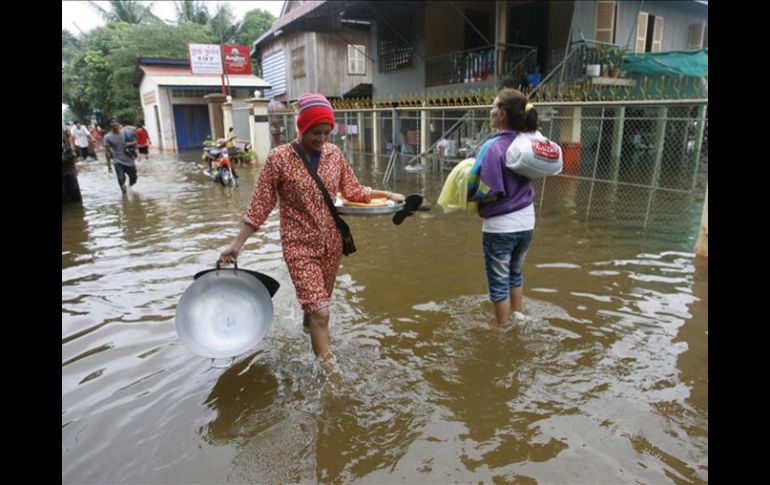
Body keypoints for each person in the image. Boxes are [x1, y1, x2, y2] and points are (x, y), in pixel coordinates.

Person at [219, 93, 405, 373]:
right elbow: (260, 206)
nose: (321, 139)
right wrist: (237, 245)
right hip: (298, 247)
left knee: (316, 310)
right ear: (301, 127)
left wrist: (388, 195)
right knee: (321, 311)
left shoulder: (334, 155)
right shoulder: (279, 159)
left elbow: (353, 191)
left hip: (331, 246)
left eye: (327, 133)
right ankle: (331, 377)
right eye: (315, 132)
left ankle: (308, 335)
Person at [467, 88, 538, 325]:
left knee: (498, 279)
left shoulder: (492, 147)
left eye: (495, 106)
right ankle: (518, 314)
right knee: (515, 272)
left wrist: (471, 198)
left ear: (503, 115)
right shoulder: (526, 142)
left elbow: (487, 190)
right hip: (527, 221)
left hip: (500, 227)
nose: (491, 110)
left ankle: (502, 330)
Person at [103, 117, 138, 195]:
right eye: (112, 122)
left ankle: (130, 188)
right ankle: (124, 196)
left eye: (116, 122)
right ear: (109, 125)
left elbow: (136, 141)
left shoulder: (126, 132)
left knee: (134, 178)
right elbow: (107, 152)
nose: (114, 123)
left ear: (119, 124)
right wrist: (109, 165)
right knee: (121, 178)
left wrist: (129, 144)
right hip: (118, 160)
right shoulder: (107, 137)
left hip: (129, 159)